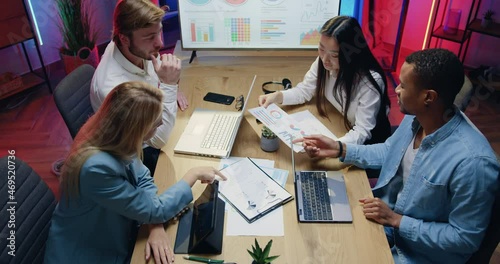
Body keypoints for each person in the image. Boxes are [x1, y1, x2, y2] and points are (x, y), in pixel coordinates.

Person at [294, 48, 499, 263]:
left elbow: (464, 239)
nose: (397, 90)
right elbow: (388, 151)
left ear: (428, 97)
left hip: (414, 253)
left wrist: (396, 220)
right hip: (385, 223)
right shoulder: (419, 117)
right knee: (314, 234)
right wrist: (339, 148)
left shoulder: (474, 164)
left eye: (403, 85)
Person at [45, 81, 225, 264]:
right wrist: (191, 175)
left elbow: (143, 179)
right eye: (156, 124)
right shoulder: (96, 169)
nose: (161, 124)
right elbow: (155, 208)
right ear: (135, 129)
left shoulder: (116, 137)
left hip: (114, 228)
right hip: (89, 254)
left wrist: (154, 222)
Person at [258, 16, 391, 146]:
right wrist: (278, 96)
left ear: (350, 53)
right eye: (321, 49)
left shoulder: (369, 82)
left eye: (334, 55)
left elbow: (362, 132)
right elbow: (305, 91)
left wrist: (331, 145)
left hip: (368, 145)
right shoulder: (324, 62)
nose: (325, 59)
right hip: (338, 123)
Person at [90, 0, 188, 176]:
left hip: (148, 125)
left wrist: (165, 85)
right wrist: (169, 86)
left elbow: (150, 78)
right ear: (124, 39)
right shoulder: (116, 87)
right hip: (136, 154)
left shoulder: (130, 47)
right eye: (150, 37)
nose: (159, 43)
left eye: (159, 32)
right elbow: (158, 139)